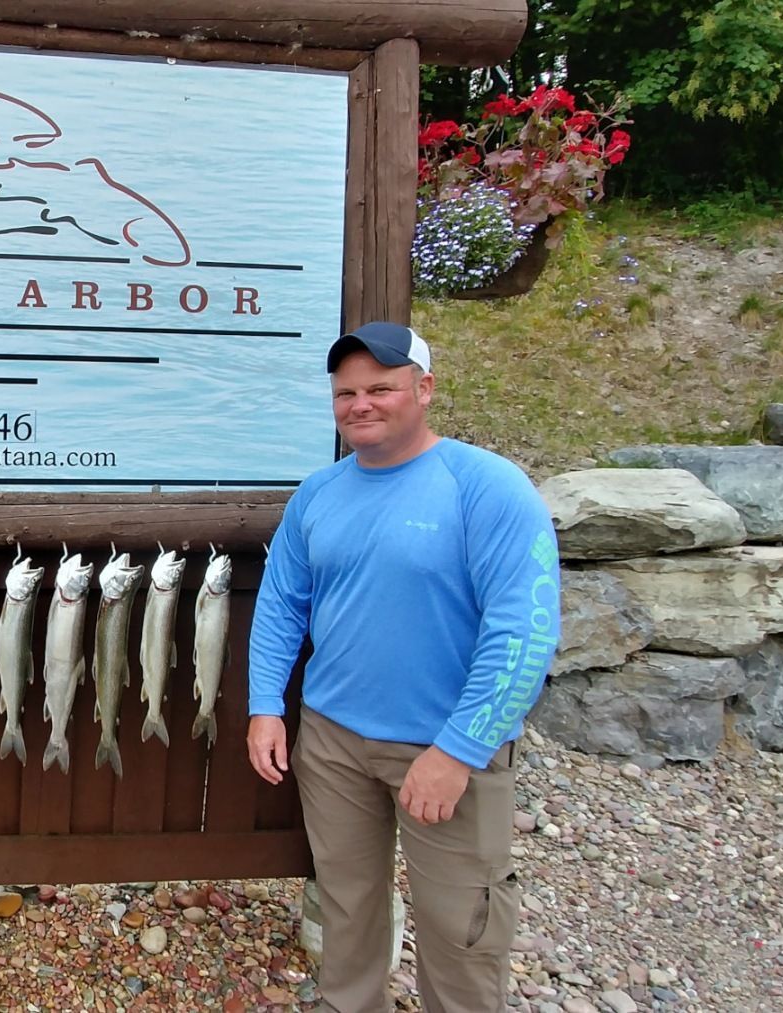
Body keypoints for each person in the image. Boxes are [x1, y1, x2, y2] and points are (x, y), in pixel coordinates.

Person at [246, 321, 560, 1013]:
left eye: (380, 388)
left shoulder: (489, 489)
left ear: (424, 389)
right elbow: (280, 604)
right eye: (346, 392)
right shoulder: (318, 494)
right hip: (332, 741)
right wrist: (265, 704)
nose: (361, 403)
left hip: (444, 745)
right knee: (347, 904)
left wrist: (459, 751)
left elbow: (525, 632)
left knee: (461, 922)